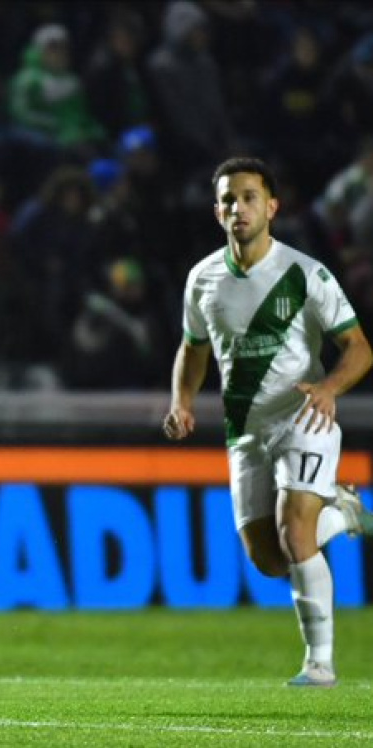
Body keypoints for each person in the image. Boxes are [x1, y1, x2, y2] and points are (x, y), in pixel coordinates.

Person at [163, 156, 373, 687]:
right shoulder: (203, 279)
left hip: (304, 416)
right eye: (228, 200)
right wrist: (181, 401)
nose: (239, 207)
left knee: (295, 530)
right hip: (246, 431)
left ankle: (319, 663)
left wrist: (328, 388)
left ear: (272, 207)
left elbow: (359, 348)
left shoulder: (305, 274)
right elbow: (193, 349)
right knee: (268, 559)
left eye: (249, 197)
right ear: (217, 212)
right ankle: (342, 513)